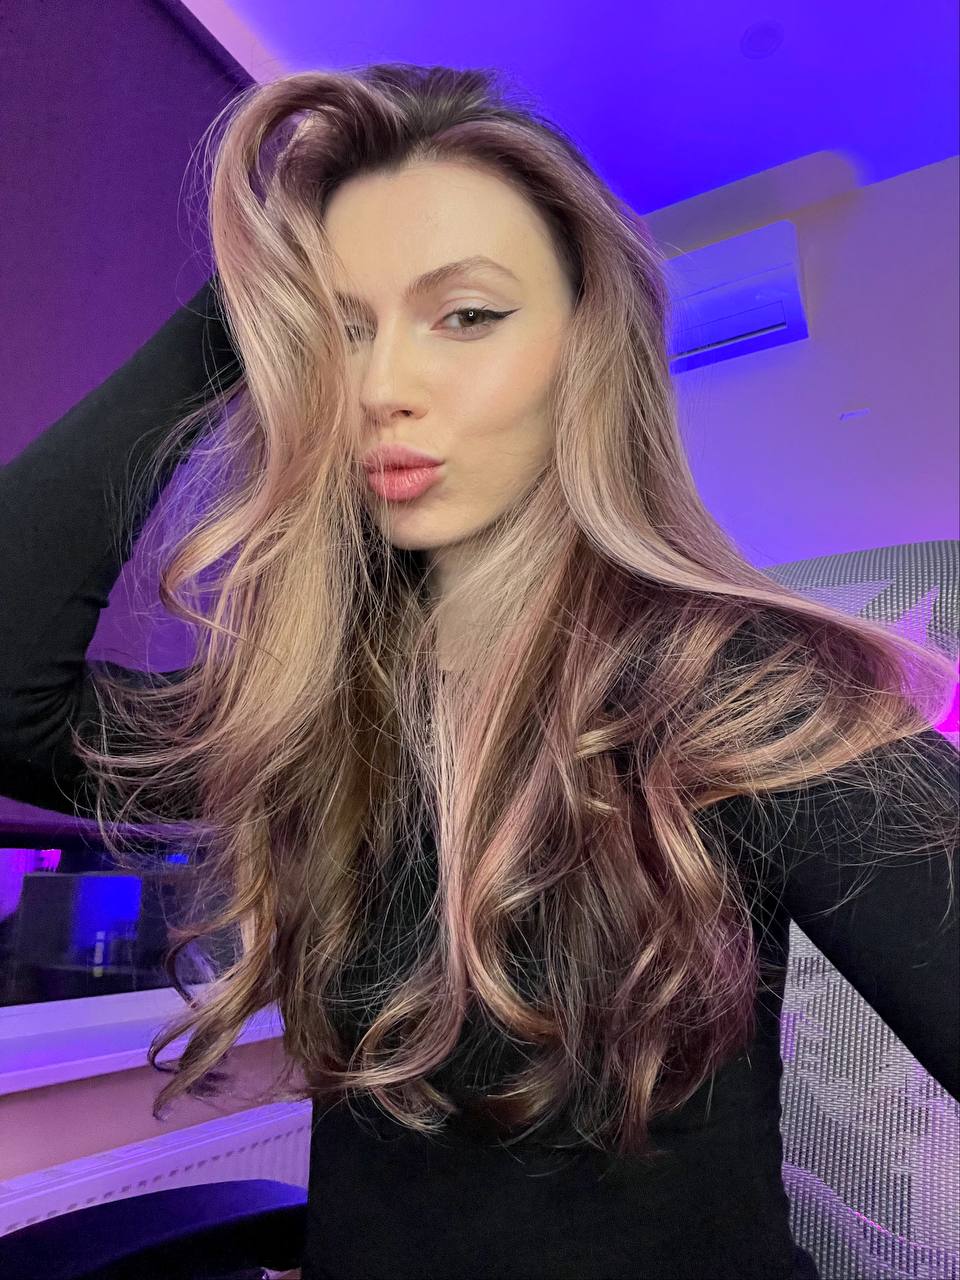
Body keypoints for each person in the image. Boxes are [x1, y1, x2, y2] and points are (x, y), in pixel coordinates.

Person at [0, 62, 957, 1280]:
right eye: (344, 328)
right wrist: (242, 306)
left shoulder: (736, 686)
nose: (380, 388)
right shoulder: (315, 716)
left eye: (465, 315)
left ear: (583, 350)